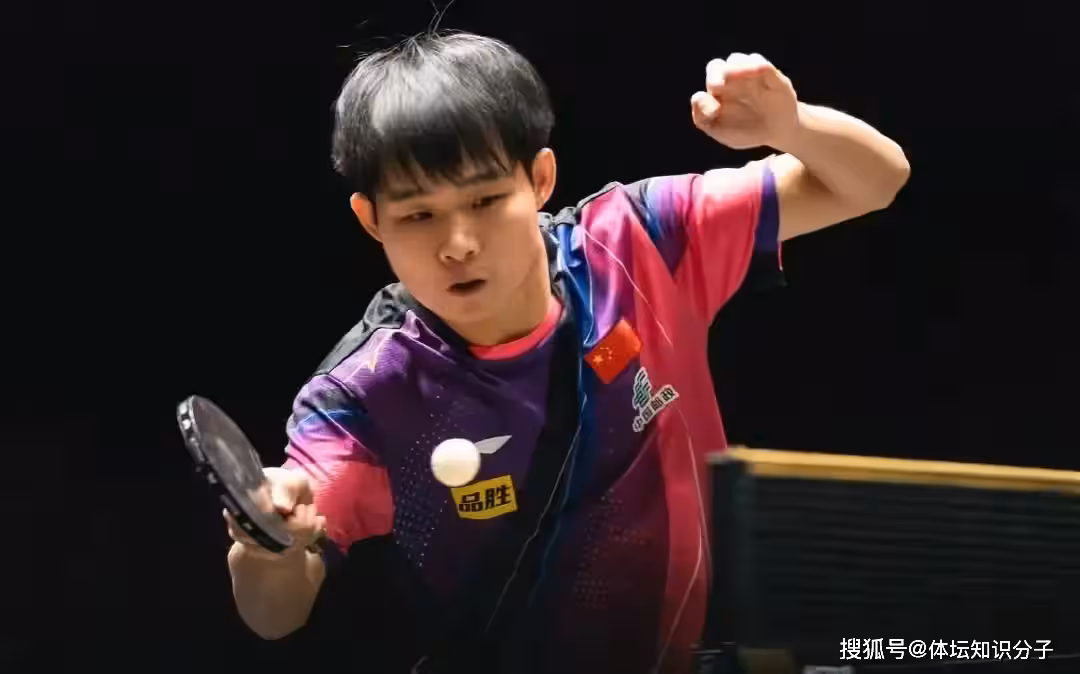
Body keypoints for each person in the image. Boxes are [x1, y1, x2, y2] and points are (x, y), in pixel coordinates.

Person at [223, 30, 910, 674]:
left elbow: (877, 180)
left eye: (486, 200)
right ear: (371, 219)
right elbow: (273, 616)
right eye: (418, 215)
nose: (458, 244)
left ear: (540, 178)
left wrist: (790, 127)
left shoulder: (641, 241)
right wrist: (268, 547)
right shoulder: (364, 393)